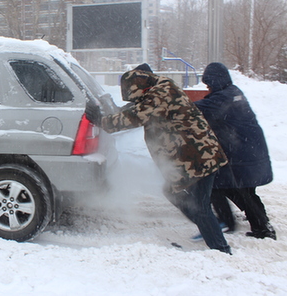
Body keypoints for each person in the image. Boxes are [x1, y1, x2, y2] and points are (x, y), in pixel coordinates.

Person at [86, 64, 231, 254]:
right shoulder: (160, 87)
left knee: (200, 205)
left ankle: (220, 249)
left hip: (198, 157)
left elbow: (134, 116)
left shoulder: (160, 94)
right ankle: (208, 229)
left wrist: (101, 121)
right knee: (173, 192)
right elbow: (137, 107)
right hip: (192, 157)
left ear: (140, 88)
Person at [195, 62, 276, 240]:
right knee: (243, 191)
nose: (208, 87)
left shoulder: (223, 98)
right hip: (249, 152)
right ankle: (261, 225)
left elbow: (195, 110)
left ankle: (238, 224)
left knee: (221, 187)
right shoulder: (233, 92)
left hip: (243, 154)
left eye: (209, 84)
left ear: (216, 80)